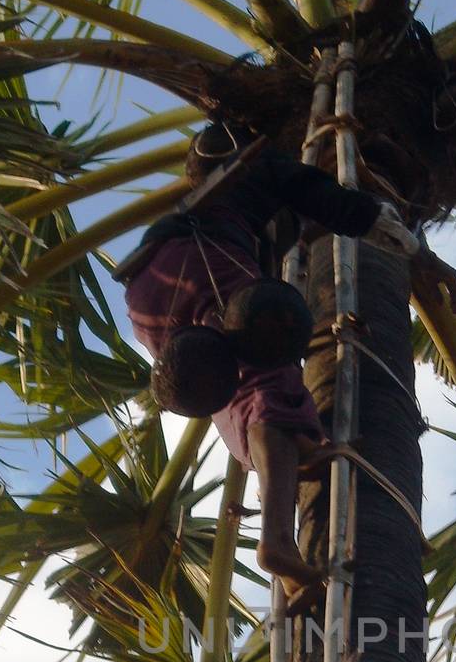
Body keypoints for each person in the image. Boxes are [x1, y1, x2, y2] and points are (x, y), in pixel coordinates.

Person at [122, 121, 422, 598]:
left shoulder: (210, 205)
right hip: (201, 262)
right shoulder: (256, 170)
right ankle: (278, 540)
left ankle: (291, 453)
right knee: (266, 358)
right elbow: (316, 192)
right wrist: (391, 233)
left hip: (146, 299)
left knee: (233, 387)